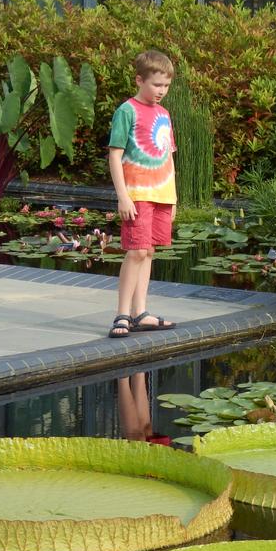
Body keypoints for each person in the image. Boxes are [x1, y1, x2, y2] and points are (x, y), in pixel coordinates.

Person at [108, 50, 179, 337]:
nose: (162, 91)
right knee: (136, 250)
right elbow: (115, 155)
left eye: (166, 86)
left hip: (162, 193)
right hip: (137, 192)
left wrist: (173, 197)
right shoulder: (127, 111)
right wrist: (123, 196)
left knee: (148, 251)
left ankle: (140, 312)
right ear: (140, 80)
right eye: (156, 85)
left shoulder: (164, 113)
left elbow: (168, 156)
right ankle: (122, 314)